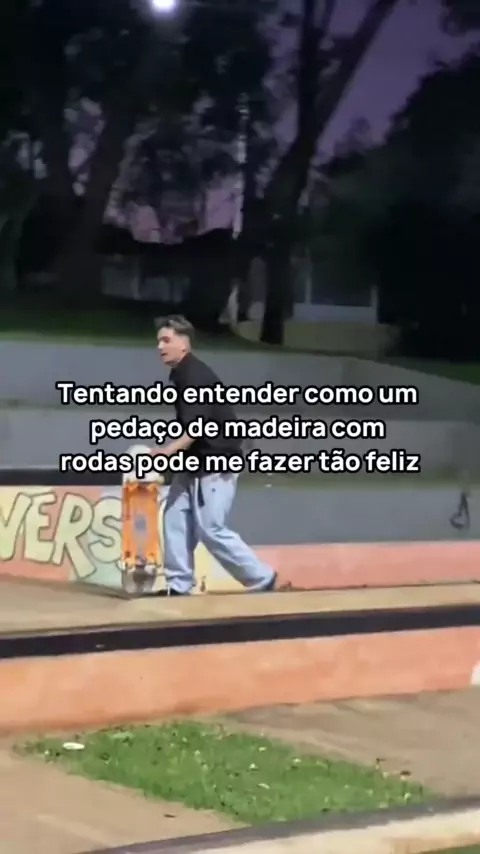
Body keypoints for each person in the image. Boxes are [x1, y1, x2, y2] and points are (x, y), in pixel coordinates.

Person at [153, 314, 277, 596]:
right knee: (174, 519)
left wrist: (167, 451)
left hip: (215, 463)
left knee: (211, 529)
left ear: (184, 343)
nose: (160, 347)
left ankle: (261, 577)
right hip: (194, 463)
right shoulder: (182, 374)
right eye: (159, 341)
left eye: (166, 340)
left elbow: (196, 426)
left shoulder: (195, 377)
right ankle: (178, 585)